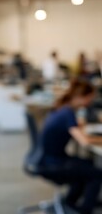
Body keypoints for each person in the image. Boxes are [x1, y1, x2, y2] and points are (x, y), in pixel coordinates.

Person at [35, 78, 102, 214]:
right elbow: (84, 141)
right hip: (53, 163)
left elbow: (73, 127)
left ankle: (70, 204)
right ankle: (85, 210)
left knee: (87, 163)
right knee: (97, 174)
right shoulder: (67, 113)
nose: (90, 102)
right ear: (81, 97)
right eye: (90, 98)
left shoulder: (61, 108)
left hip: (46, 159)